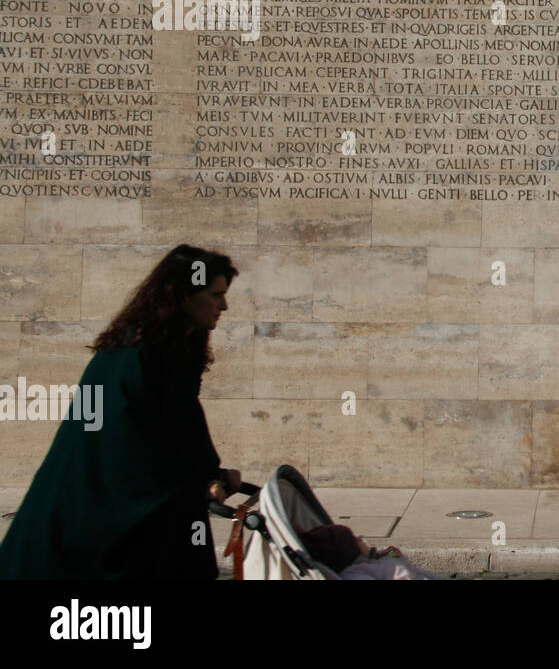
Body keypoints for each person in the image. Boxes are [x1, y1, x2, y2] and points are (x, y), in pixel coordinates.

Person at [0, 244, 243, 578]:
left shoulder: (148, 348)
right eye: (216, 295)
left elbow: (174, 429)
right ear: (184, 295)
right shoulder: (146, 355)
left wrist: (207, 475)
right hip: (94, 513)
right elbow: (132, 440)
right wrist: (205, 477)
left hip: (91, 509)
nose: (224, 306)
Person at [298, 524, 444, 580]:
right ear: (349, 550)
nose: (361, 539)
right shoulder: (354, 573)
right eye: (356, 539)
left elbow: (417, 571)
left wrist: (391, 554)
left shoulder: (373, 559)